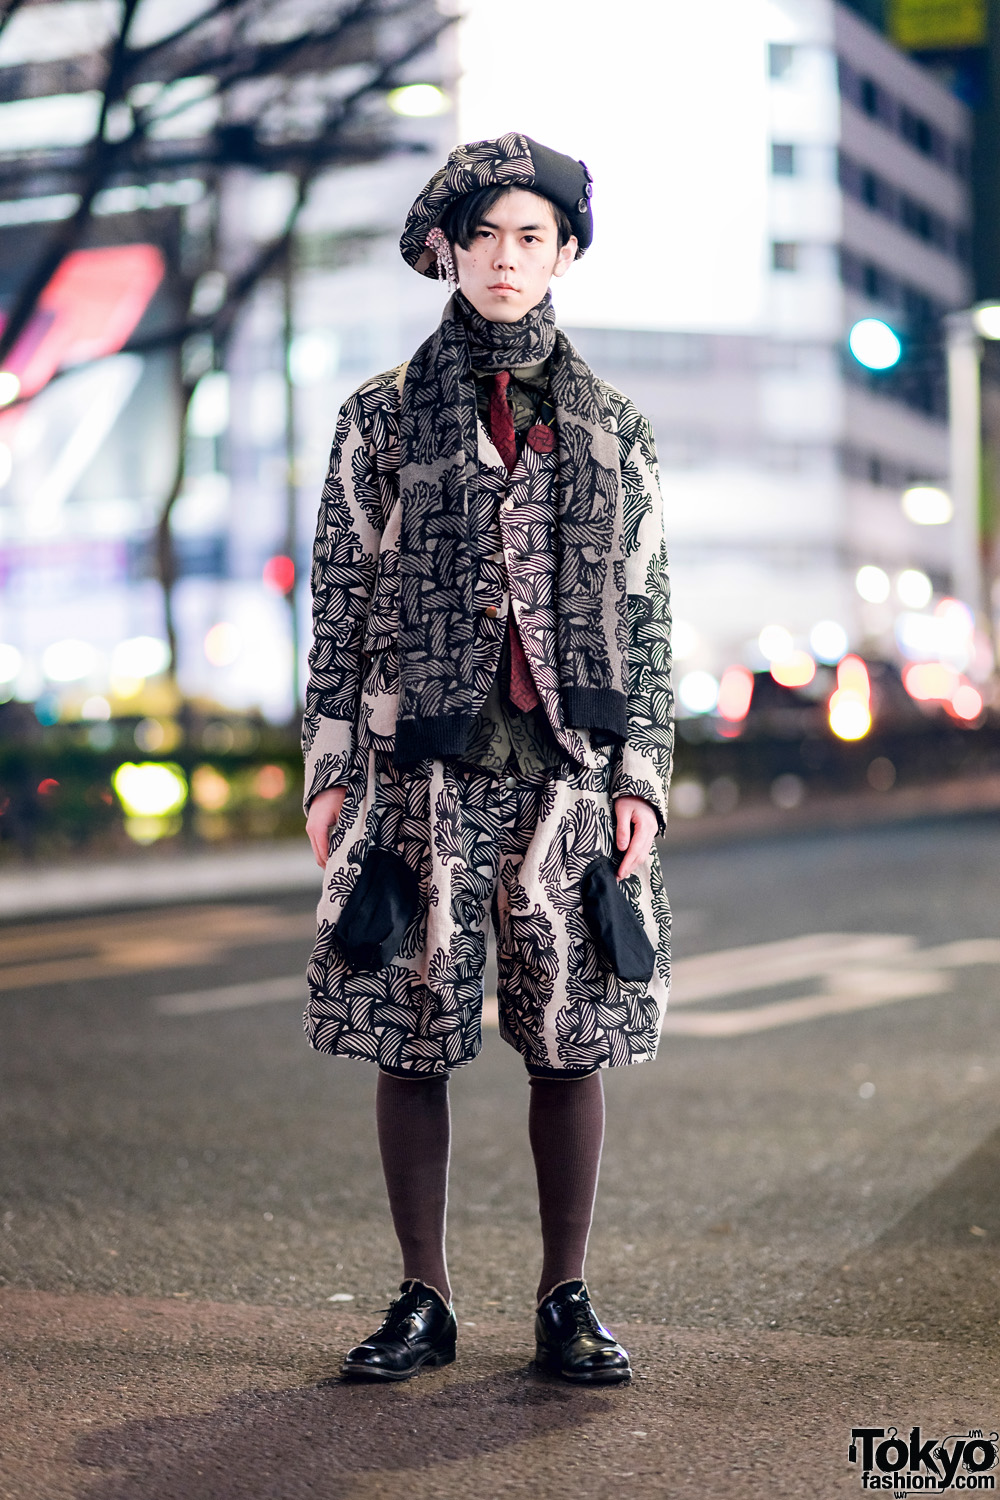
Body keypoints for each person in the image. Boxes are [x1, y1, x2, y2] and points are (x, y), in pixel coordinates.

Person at [302, 132, 673, 1386]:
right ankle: (423, 1298)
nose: (506, 259)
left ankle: (566, 1296)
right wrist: (330, 771)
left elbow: (649, 614)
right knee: (415, 1032)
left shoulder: (614, 432)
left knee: (567, 1035)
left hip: (566, 776)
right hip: (420, 777)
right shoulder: (378, 421)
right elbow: (340, 610)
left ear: (564, 253)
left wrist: (642, 785)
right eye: (485, 237)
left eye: (531, 237)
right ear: (447, 251)